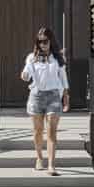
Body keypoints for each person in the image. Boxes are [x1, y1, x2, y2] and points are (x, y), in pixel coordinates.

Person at [20, 26, 69, 174]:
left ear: (51, 41)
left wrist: (66, 97)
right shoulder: (31, 58)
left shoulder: (58, 58)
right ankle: (39, 159)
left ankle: (51, 165)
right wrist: (24, 74)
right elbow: (26, 75)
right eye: (40, 42)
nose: (43, 44)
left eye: (45, 41)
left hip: (54, 96)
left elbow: (63, 78)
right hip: (36, 96)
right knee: (37, 131)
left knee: (52, 132)